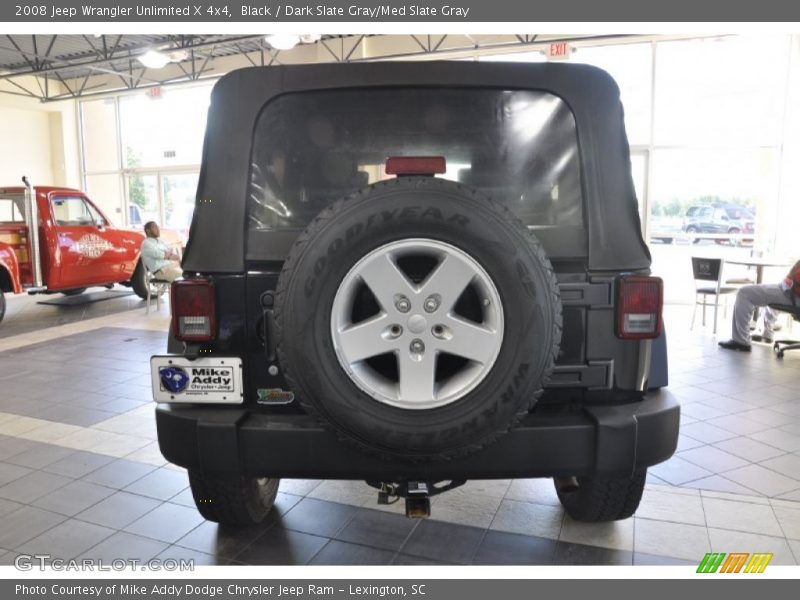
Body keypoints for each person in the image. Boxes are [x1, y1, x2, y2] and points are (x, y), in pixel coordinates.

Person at [718, 259, 799, 352]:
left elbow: (794, 277)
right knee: (766, 292)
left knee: (744, 293)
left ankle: (742, 341)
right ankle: (766, 333)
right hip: (790, 292)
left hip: (791, 295)